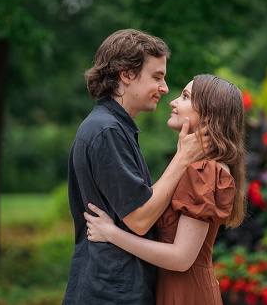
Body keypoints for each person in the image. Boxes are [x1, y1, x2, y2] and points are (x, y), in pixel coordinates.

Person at [62, 29, 209, 305]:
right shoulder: (106, 131)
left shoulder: (114, 127)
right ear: (126, 74)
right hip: (112, 292)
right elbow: (140, 220)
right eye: (157, 77)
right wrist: (182, 158)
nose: (164, 89)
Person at [84, 74, 247, 305]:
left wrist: (111, 234)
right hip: (172, 290)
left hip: (186, 295)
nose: (173, 101)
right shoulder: (193, 167)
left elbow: (181, 258)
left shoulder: (206, 171)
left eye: (185, 96)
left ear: (208, 114)